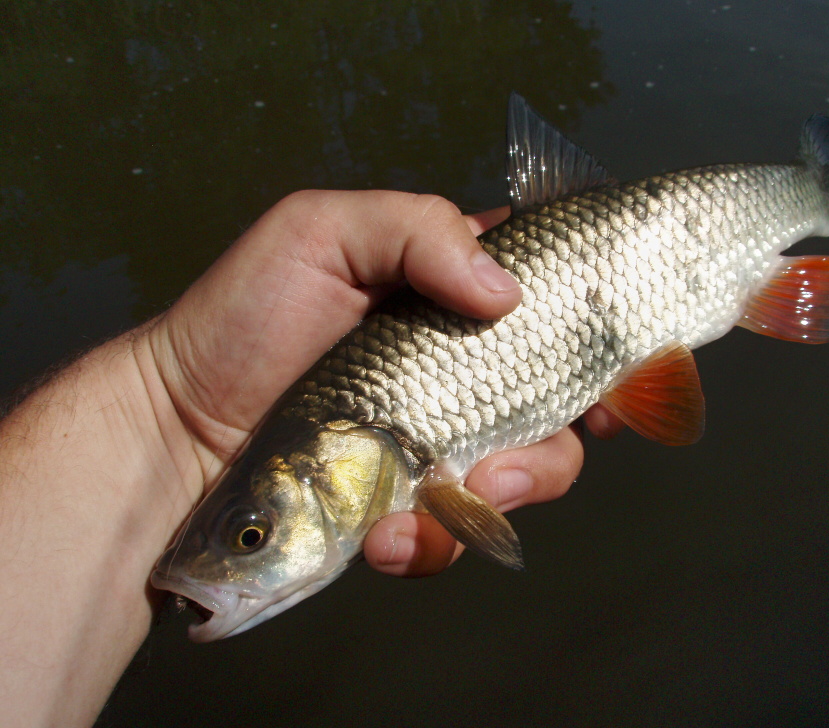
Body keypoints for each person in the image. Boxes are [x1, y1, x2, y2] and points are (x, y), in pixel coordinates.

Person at [0, 190, 622, 727]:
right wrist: (169, 412)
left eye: (252, 536)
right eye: (251, 536)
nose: (248, 544)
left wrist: (166, 410)